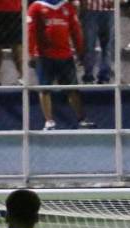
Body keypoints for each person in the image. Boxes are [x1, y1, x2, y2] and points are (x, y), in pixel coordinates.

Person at [27, 0, 94, 131]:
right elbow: (31, 31)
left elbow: (75, 30)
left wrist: (80, 51)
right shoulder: (36, 7)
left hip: (65, 55)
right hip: (44, 56)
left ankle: (82, 119)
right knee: (44, 88)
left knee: (73, 89)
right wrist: (31, 53)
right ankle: (49, 121)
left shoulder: (67, 7)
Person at [79, 0, 113, 84]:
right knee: (89, 45)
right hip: (90, 10)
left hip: (109, 10)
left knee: (107, 46)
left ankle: (104, 76)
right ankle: (88, 76)